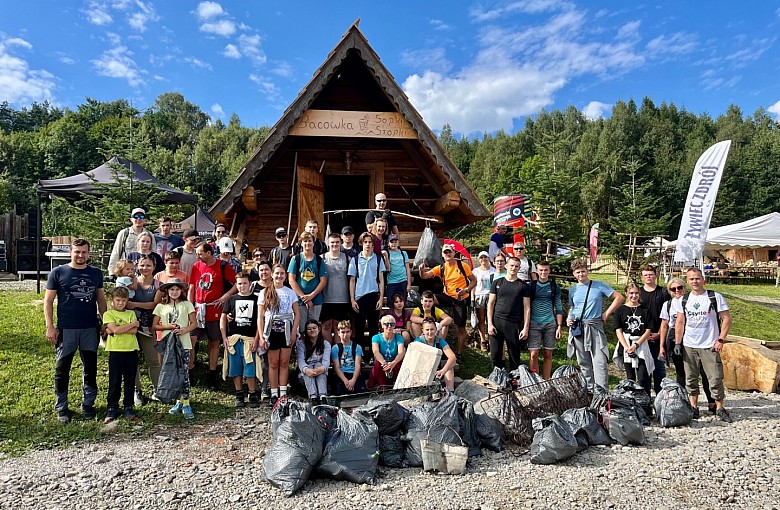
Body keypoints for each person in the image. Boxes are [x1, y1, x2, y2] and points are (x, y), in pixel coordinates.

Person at [44, 238, 107, 423]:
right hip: (67, 328)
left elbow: (101, 300)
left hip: (90, 327)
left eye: (84, 252)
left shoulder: (96, 273)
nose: (80, 255)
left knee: (90, 368)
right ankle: (62, 407)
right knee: (62, 369)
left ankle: (88, 404)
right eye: (77, 252)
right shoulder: (58, 272)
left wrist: (105, 322)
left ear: (89, 253)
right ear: (70, 252)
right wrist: (50, 326)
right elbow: (48, 302)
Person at [673, 267, 734, 422]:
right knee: (691, 378)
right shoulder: (684, 300)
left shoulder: (714, 297)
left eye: (697, 278)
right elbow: (680, 322)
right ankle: (694, 407)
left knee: (715, 377)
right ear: (687, 281)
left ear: (703, 279)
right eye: (691, 279)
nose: (695, 281)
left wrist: (720, 339)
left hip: (710, 344)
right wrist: (678, 342)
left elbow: (726, 318)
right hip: (689, 344)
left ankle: (719, 407)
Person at [566, 258, 624, 392]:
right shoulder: (572, 290)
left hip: (594, 325)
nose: (581, 274)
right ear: (574, 274)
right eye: (578, 272)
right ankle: (590, 390)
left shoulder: (598, 285)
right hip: (578, 327)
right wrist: (569, 318)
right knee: (583, 361)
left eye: (583, 271)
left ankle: (602, 391)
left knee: (600, 360)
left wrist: (606, 313)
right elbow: (573, 307)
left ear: (587, 271)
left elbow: (619, 297)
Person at [658, 278, 716, 412]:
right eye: (673, 289)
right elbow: (664, 326)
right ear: (670, 291)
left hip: (693, 334)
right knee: (681, 371)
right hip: (674, 336)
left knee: (703, 370)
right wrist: (662, 346)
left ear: (685, 288)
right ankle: (683, 400)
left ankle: (711, 400)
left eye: (680, 288)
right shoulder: (668, 304)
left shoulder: (692, 300)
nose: (677, 291)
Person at [189, 241, 238, 390]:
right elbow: (192, 287)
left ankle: (212, 374)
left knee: (214, 342)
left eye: (200, 253)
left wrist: (225, 297)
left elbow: (237, 283)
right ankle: (190, 372)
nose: (198, 256)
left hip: (215, 309)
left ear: (209, 253)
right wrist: (189, 306)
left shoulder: (222, 265)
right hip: (198, 309)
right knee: (191, 340)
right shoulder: (196, 266)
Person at [419, 243, 476, 362]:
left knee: (461, 327)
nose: (448, 254)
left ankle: (459, 354)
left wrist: (466, 290)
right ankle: (429, 318)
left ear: (454, 253)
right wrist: (421, 270)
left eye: (450, 252)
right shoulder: (441, 267)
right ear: (442, 255)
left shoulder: (462, 265)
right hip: (447, 295)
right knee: (430, 297)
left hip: (460, 297)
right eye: (445, 252)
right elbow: (425, 276)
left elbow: (473, 281)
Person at [152, 278, 197, 420]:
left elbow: (194, 323)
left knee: (184, 373)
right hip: (168, 343)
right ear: (167, 291)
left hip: (183, 343)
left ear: (181, 291)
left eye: (177, 289)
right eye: (172, 289)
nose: (175, 292)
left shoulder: (187, 304)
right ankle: (178, 401)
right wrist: (169, 327)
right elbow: (155, 326)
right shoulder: (160, 306)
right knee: (172, 371)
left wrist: (184, 331)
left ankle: (186, 403)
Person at [258, 264, 300, 406]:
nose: (279, 276)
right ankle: (273, 393)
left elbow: (297, 313)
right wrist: (262, 336)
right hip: (272, 330)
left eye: (282, 273)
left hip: (286, 329)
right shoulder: (265, 292)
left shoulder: (290, 292)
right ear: (272, 274)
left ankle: (283, 393)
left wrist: (294, 331)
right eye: (276, 273)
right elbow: (260, 316)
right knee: (273, 363)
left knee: (284, 362)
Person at [220, 273, 262, 408]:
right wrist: (224, 337)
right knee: (235, 368)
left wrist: (257, 339)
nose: (242, 286)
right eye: (239, 283)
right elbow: (223, 318)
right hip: (233, 339)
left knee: (250, 367)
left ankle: (252, 393)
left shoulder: (256, 300)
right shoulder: (231, 299)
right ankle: (239, 393)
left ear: (250, 283)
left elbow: (259, 321)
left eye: (244, 283)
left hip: (249, 339)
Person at [127, 255, 162, 404]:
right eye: (142, 265)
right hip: (131, 326)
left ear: (154, 267)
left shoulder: (159, 285)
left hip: (148, 327)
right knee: (132, 360)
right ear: (137, 266)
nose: (145, 268)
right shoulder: (131, 282)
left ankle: (158, 390)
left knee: (153, 360)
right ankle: (137, 390)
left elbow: (155, 304)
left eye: (148, 265)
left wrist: (135, 305)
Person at [102, 286, 140, 423]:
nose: (120, 303)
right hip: (116, 351)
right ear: (112, 300)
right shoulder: (108, 314)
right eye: (118, 300)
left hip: (131, 350)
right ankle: (112, 407)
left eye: (123, 300)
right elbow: (115, 330)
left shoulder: (131, 313)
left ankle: (128, 406)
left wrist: (121, 328)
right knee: (115, 381)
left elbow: (134, 331)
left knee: (130, 381)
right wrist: (130, 325)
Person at [486, 256, 531, 371]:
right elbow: (490, 304)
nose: (513, 268)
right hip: (497, 321)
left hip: (513, 323)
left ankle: (514, 380)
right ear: (506, 266)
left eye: (516, 266)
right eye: (511, 265)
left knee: (514, 354)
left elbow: (527, 308)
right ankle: (497, 377)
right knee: (495, 354)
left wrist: (525, 328)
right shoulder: (497, 282)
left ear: (519, 268)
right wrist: (490, 324)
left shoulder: (523, 286)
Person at [612, 282, 654, 397]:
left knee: (643, 377)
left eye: (636, 293)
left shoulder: (645, 310)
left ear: (639, 294)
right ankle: (632, 402)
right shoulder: (620, 310)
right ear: (626, 293)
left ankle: (646, 403)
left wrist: (636, 345)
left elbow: (648, 330)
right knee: (630, 378)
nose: (633, 296)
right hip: (626, 344)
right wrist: (626, 347)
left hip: (640, 345)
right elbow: (618, 330)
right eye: (631, 293)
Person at [348, 232, 386, 358]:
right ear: (361, 243)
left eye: (370, 242)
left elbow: (381, 279)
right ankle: (360, 356)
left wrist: (381, 298)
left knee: (373, 329)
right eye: (365, 242)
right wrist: (352, 299)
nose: (368, 244)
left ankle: (372, 356)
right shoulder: (355, 259)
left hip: (374, 296)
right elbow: (352, 280)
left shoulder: (379, 259)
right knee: (358, 329)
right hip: (360, 298)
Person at [528, 260, 564, 379]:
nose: (543, 272)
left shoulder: (554, 287)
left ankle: (546, 380)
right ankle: (535, 380)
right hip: (533, 323)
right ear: (537, 271)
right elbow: (526, 305)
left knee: (548, 353)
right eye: (541, 270)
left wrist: (559, 326)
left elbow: (558, 306)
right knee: (534, 354)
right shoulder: (531, 286)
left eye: (546, 270)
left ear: (549, 271)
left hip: (550, 323)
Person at [638, 265, 670, 396]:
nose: (648, 277)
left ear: (655, 275)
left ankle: (660, 397)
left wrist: (659, 333)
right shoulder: (638, 293)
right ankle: (645, 398)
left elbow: (668, 315)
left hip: (659, 335)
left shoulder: (663, 293)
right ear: (642, 277)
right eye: (645, 275)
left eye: (650, 274)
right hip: (641, 336)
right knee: (643, 369)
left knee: (659, 369)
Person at [288, 231, 329, 331]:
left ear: (313, 243)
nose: (307, 243)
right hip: (299, 301)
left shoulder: (319, 260)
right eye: (305, 241)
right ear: (301, 243)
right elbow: (291, 280)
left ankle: (313, 347)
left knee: (313, 329)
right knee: (301, 329)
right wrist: (304, 297)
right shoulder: (296, 259)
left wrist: (311, 296)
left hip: (316, 300)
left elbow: (323, 281)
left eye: (310, 241)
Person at [320, 232, 351, 343]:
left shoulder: (347, 258)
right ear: (328, 243)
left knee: (340, 327)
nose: (335, 244)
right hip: (325, 298)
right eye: (332, 242)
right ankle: (327, 353)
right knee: (326, 326)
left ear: (341, 243)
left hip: (342, 299)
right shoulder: (322, 258)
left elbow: (351, 279)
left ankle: (337, 353)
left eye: (337, 242)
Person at [108, 207, 156, 275]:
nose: (138, 219)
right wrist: (112, 271)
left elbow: (153, 253)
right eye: (135, 216)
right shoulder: (124, 233)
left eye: (141, 216)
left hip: (143, 272)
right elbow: (116, 252)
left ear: (145, 220)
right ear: (131, 219)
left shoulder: (150, 235)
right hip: (125, 271)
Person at [415, 318, 457, 390]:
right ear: (423, 330)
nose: (430, 332)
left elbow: (452, 357)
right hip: (423, 369)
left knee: (449, 365)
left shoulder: (440, 340)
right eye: (427, 330)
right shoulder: (418, 341)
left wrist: (443, 370)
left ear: (436, 330)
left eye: (432, 329)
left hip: (438, 370)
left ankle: (450, 391)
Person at [297, 319, 331, 405]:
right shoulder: (301, 344)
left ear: (319, 329)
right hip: (306, 372)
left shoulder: (326, 344)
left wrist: (321, 369)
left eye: (314, 328)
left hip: (320, 370)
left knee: (319, 365)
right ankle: (313, 396)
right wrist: (306, 370)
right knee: (308, 367)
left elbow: (326, 362)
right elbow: (300, 361)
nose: (312, 330)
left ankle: (323, 396)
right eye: (309, 329)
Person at [368, 314, 406, 388]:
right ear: (382, 325)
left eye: (392, 324)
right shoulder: (376, 337)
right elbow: (376, 351)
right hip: (383, 361)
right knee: (378, 365)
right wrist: (384, 363)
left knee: (399, 365)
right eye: (386, 324)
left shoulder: (399, 337)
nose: (389, 326)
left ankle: (396, 384)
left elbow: (401, 352)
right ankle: (383, 386)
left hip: (394, 361)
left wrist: (393, 363)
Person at [330, 320, 366, 395]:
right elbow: (336, 367)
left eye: (347, 332)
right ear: (338, 333)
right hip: (341, 375)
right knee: (339, 392)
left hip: (354, 374)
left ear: (351, 332)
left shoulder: (357, 347)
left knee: (361, 393)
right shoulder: (335, 348)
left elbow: (357, 365)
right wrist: (345, 381)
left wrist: (353, 380)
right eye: (343, 332)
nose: (345, 335)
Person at [471, 251, 495, 352]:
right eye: (481, 257)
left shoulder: (493, 270)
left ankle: (491, 340)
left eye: (485, 257)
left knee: (491, 319)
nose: (483, 259)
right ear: (479, 259)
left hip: (491, 296)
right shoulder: (475, 271)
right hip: (479, 296)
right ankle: (483, 340)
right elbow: (473, 285)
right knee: (481, 319)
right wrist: (472, 298)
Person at [385, 233, 411, 302]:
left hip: (403, 280)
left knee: (402, 302)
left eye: (395, 242)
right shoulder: (387, 253)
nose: (394, 244)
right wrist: (385, 256)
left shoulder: (403, 253)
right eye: (391, 242)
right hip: (391, 282)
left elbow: (407, 269)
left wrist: (409, 284)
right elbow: (387, 268)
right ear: (388, 243)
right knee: (390, 302)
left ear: (398, 243)